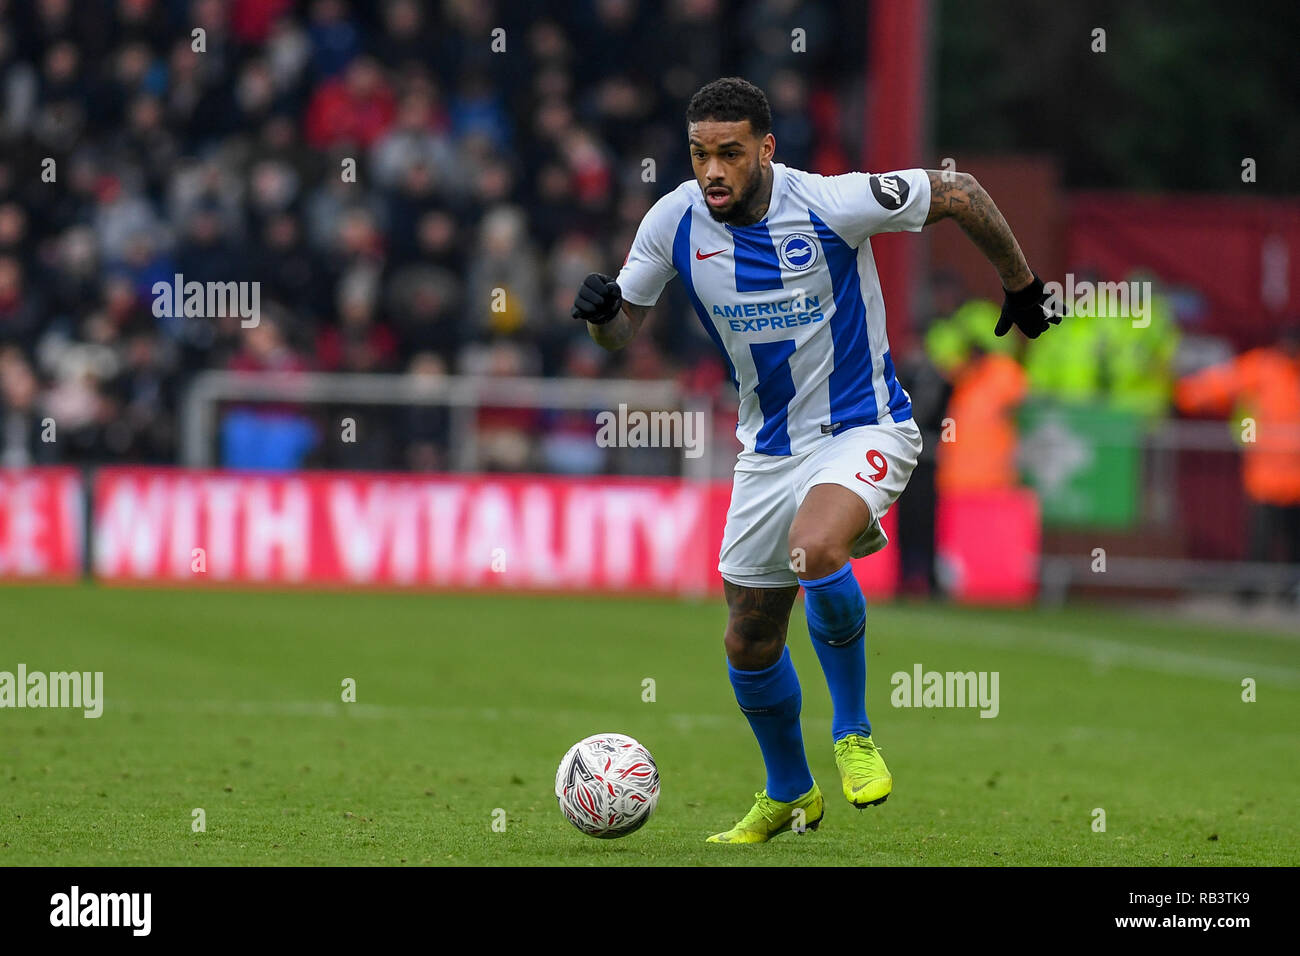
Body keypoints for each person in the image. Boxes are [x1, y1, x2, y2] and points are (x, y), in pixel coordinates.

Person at [571, 77, 1061, 843]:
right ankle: (790, 795)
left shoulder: (833, 204)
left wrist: (1022, 287)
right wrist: (603, 318)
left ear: (766, 149)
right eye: (700, 154)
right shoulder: (673, 221)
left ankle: (855, 735)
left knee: (816, 547)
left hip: (865, 427)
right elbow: (624, 327)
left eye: (730, 153)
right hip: (766, 452)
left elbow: (959, 192)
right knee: (748, 636)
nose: (713, 171)